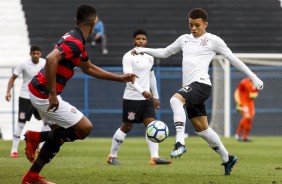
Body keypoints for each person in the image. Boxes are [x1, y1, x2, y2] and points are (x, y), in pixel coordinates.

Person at [132, 8, 263, 175]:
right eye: (190, 25)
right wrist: (144, 49)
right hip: (191, 88)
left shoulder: (213, 40)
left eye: (197, 25)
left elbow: (233, 59)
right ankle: (227, 158)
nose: (193, 28)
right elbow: (165, 53)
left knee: (175, 100)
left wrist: (254, 77)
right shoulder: (184, 39)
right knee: (202, 130)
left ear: (205, 24)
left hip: (201, 85)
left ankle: (180, 141)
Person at [22, 4, 137, 184]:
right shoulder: (75, 42)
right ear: (94, 22)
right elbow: (52, 59)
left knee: (59, 136)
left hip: (40, 90)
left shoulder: (77, 40)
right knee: (84, 128)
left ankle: (32, 176)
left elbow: (88, 67)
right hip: (45, 94)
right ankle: (35, 136)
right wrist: (52, 94)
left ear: (76, 20)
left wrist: (119, 78)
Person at [107, 29, 171, 166]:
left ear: (146, 41)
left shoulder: (149, 56)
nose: (141, 41)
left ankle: (155, 157)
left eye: (143, 39)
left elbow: (151, 76)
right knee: (126, 126)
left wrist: (156, 96)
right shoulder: (128, 56)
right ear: (133, 41)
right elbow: (128, 78)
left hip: (147, 99)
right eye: (138, 39)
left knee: (151, 125)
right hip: (131, 98)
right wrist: (142, 91)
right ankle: (112, 156)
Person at [5, 45, 50, 159]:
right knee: (21, 123)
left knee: (47, 122)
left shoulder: (45, 63)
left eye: (37, 53)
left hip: (40, 96)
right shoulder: (23, 64)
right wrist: (8, 91)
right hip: (25, 97)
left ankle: (41, 147)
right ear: (30, 54)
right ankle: (14, 150)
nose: (35, 55)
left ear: (40, 54)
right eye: (33, 53)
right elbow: (13, 77)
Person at [234, 77, 258, 142]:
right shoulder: (244, 82)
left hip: (250, 103)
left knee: (250, 119)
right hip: (243, 102)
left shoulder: (256, 83)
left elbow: (256, 92)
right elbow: (237, 91)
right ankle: (238, 134)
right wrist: (238, 102)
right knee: (247, 117)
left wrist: (255, 95)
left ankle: (245, 137)